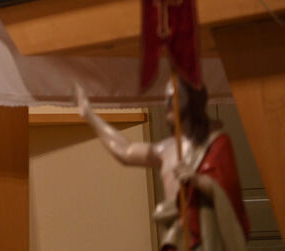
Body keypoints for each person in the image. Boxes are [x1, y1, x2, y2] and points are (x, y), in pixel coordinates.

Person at [75, 80, 249, 250]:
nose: (167, 104)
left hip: (202, 241)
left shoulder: (215, 144)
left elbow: (228, 192)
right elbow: (126, 151)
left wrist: (197, 180)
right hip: (175, 239)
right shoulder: (166, 149)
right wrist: (89, 115)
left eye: (173, 98)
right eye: (166, 98)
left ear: (192, 100)